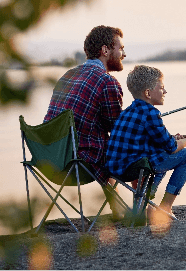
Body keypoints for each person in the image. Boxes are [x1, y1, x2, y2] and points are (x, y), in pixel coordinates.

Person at [44, 25, 126, 219]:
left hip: (49, 159)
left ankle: (118, 207)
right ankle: (131, 210)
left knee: (104, 144)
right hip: (78, 164)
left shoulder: (67, 75)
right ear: (105, 50)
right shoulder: (107, 82)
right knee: (127, 145)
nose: (124, 53)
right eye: (121, 48)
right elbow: (117, 131)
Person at [105, 65, 186, 222]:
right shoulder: (150, 113)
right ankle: (165, 207)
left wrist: (173, 138)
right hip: (135, 169)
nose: (165, 92)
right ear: (148, 93)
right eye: (162, 88)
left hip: (116, 170)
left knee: (158, 155)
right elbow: (171, 147)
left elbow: (148, 139)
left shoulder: (126, 112)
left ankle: (143, 206)